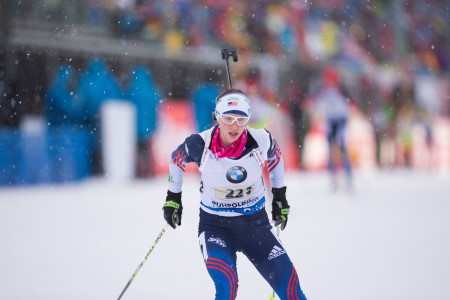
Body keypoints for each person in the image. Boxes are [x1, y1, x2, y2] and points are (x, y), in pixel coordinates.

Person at [162, 88, 307, 300]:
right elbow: (176, 159)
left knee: (291, 288)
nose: (235, 125)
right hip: (216, 228)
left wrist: (279, 195)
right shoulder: (200, 144)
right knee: (226, 284)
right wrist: (173, 199)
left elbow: (276, 156)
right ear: (217, 117)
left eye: (241, 119)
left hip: (255, 226)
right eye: (228, 118)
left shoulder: (260, 139)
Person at [313, 66, 352, 189]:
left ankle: (348, 176)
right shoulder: (322, 90)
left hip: (340, 121)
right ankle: (333, 178)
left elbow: (351, 103)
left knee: (342, 148)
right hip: (330, 121)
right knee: (330, 150)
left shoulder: (341, 89)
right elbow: (314, 101)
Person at [125, 64, 163, 178]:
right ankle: (148, 170)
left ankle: (138, 170)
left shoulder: (131, 88)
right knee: (147, 148)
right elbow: (157, 107)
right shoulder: (153, 89)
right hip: (149, 125)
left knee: (136, 149)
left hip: (134, 126)